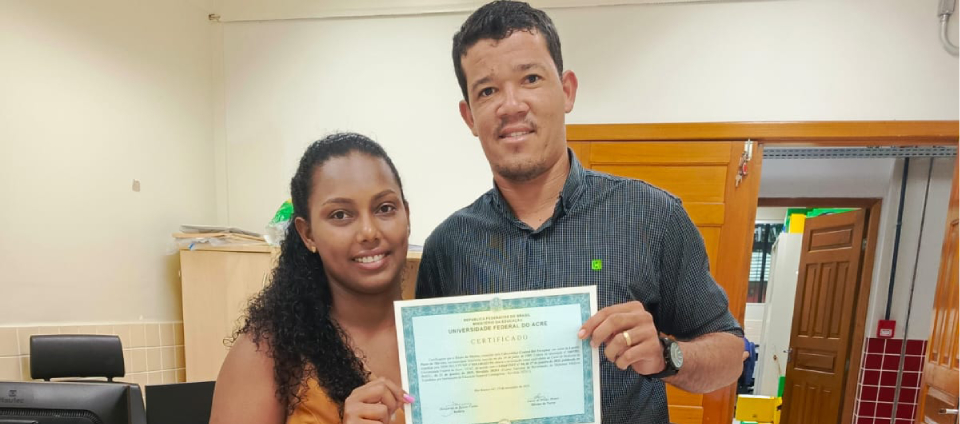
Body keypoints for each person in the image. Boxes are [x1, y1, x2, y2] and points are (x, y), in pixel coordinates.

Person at [415, 2, 744, 423]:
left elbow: (730, 355)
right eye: (487, 91)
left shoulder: (652, 216)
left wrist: (666, 354)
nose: (511, 105)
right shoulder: (447, 247)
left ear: (567, 90)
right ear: (469, 117)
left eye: (530, 78)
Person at [210, 133, 414, 424]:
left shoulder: (444, 334)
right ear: (307, 234)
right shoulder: (268, 354)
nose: (369, 232)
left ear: (407, 216)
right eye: (340, 215)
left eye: (385, 208)